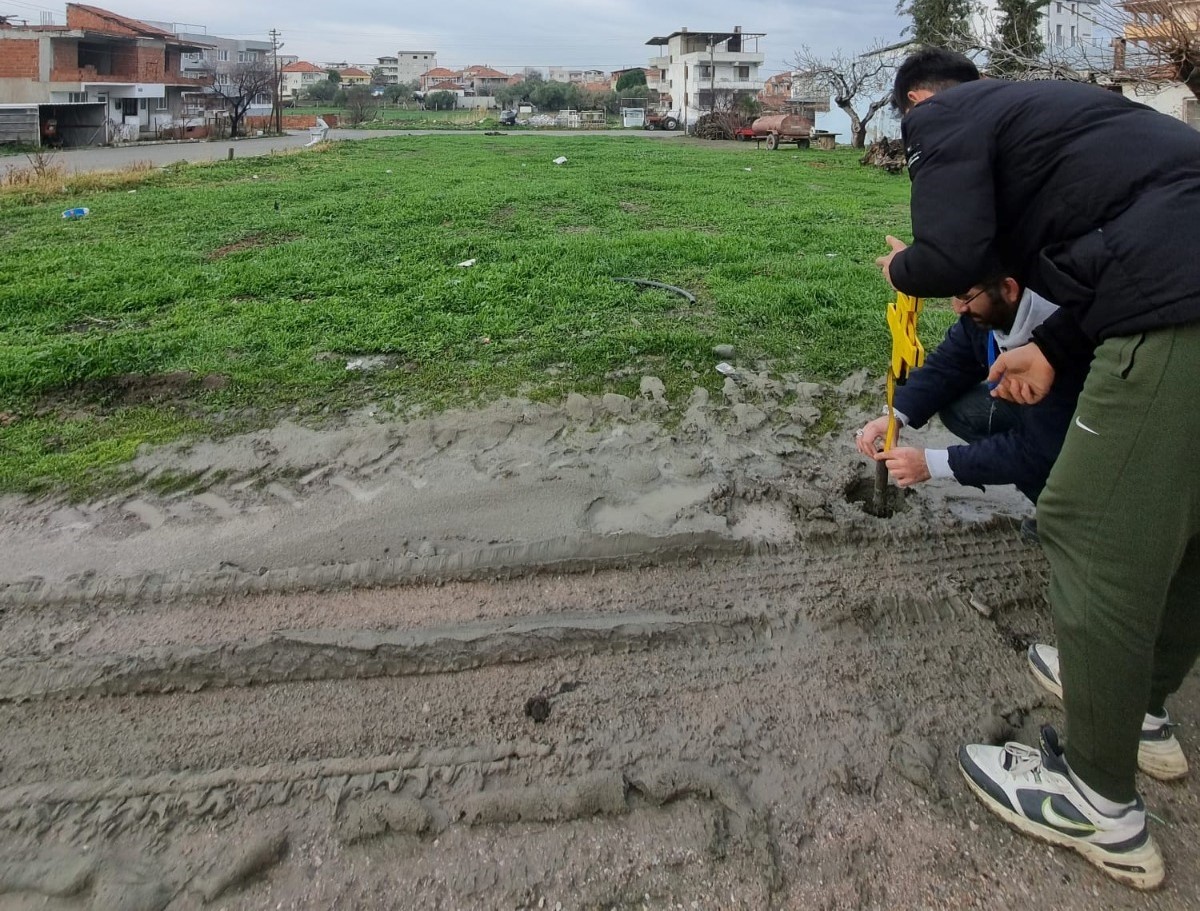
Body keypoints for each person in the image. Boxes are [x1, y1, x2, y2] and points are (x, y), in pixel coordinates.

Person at [877, 46, 1200, 891]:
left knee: (1090, 528)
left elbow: (946, 253)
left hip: (1179, 314)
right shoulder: (1075, 139)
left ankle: (1097, 799)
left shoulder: (946, 112)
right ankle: (1142, 712)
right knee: (1188, 527)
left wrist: (900, 267)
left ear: (917, 99)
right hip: (1178, 284)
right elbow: (1124, 249)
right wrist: (1053, 350)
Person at [856, 275, 1081, 526]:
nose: (958, 307)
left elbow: (1038, 448)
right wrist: (895, 415)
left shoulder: (1065, 339)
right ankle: (1047, 499)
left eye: (965, 297)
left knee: (1040, 457)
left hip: (1080, 435)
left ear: (1008, 288)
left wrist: (933, 463)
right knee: (963, 411)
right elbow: (949, 364)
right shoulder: (992, 312)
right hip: (1044, 424)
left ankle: (1071, 519)